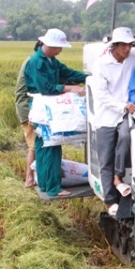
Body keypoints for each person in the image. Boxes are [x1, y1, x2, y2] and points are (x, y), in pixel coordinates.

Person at [24, 28, 87, 197]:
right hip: (41, 108)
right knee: (51, 146)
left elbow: (67, 72)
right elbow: (46, 88)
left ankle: (44, 184)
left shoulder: (51, 60)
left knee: (43, 145)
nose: (60, 50)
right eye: (59, 47)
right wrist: (70, 88)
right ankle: (53, 188)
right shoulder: (37, 62)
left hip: (45, 108)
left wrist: (87, 77)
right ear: (49, 45)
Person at [89, 27, 135, 216]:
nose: (127, 49)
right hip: (106, 116)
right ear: (115, 46)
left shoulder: (133, 60)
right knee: (105, 159)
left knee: (126, 137)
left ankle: (118, 178)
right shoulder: (101, 65)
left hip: (126, 114)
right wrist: (123, 106)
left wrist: (134, 103)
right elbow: (101, 96)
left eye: (130, 45)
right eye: (124, 45)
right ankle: (110, 200)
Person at [14, 42, 41, 188]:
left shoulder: (32, 60)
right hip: (27, 109)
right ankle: (29, 179)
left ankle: (35, 176)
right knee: (34, 146)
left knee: (38, 144)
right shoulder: (33, 62)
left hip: (29, 107)